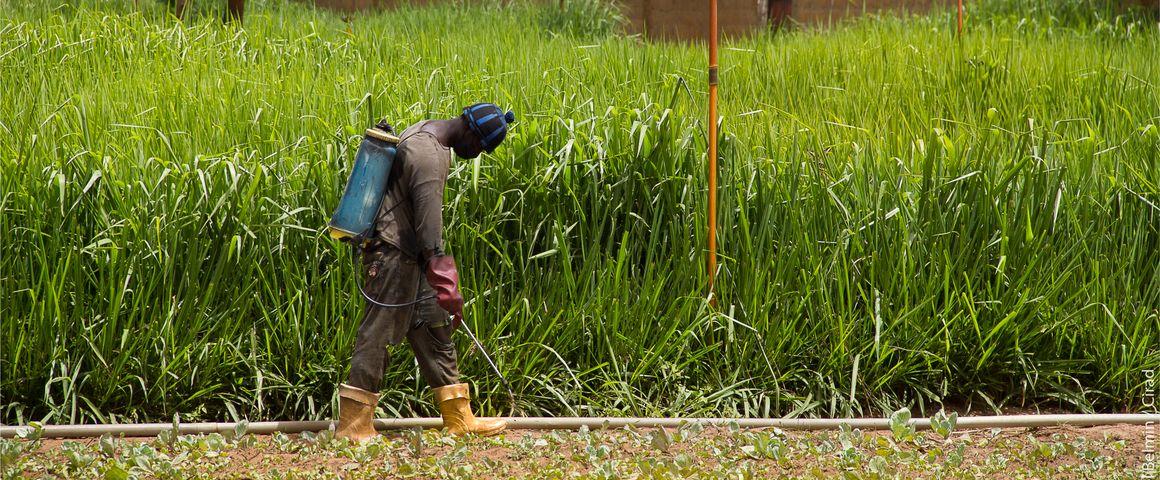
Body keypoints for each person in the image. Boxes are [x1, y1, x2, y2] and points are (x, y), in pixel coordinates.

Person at [334, 103, 516, 442]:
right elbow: (429, 226)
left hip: (412, 259)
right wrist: (446, 279)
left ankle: (458, 417)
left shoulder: (429, 130)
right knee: (378, 336)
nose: (476, 155)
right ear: (469, 131)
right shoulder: (429, 158)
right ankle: (353, 425)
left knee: (435, 330)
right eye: (480, 147)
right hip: (392, 255)